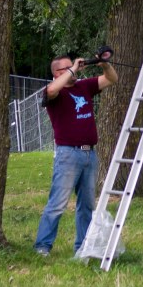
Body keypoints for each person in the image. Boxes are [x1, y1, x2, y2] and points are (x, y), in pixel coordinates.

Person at [34, 53, 118, 256]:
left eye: (73, 66)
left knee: (86, 204)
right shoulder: (54, 92)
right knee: (57, 203)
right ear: (57, 73)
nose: (73, 69)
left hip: (89, 154)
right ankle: (42, 247)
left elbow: (111, 79)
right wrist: (72, 70)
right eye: (67, 68)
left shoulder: (84, 86)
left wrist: (104, 64)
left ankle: (83, 247)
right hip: (67, 155)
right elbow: (52, 89)